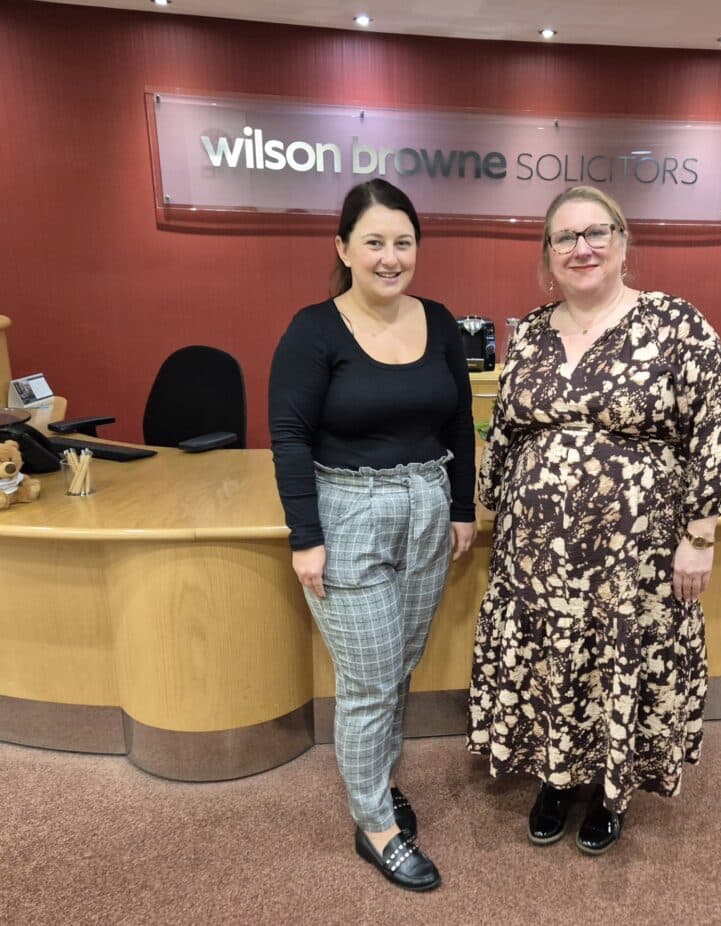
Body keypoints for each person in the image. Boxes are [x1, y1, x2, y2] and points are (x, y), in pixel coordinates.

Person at [468, 185, 721, 855]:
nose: (581, 248)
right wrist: (490, 508)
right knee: (555, 665)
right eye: (565, 237)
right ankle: (557, 779)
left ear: (623, 242)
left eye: (596, 232)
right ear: (547, 255)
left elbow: (717, 427)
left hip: (637, 559)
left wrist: (700, 534)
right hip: (538, 560)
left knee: (621, 663)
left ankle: (613, 792)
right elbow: (504, 431)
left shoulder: (675, 324)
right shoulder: (530, 331)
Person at [269, 179, 476, 891]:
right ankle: (376, 825)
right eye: (375, 243)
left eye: (404, 243)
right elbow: (290, 436)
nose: (391, 258)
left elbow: (458, 424)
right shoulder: (314, 329)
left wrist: (461, 506)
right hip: (348, 511)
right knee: (369, 680)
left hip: (426, 504)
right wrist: (306, 536)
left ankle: (379, 781)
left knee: (402, 664)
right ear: (344, 249)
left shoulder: (440, 320)